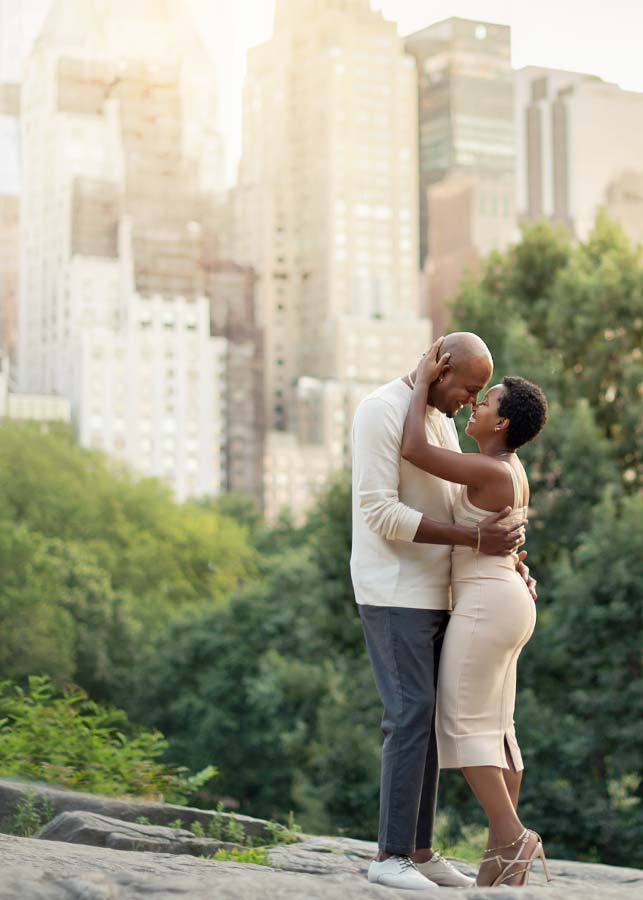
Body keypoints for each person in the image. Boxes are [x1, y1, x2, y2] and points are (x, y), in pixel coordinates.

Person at [351, 332, 536, 891]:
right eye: (468, 388)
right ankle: (390, 855)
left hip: (446, 592)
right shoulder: (380, 412)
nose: (471, 401)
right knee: (411, 715)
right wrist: (477, 543)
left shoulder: (437, 418)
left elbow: (472, 501)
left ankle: (420, 849)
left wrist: (502, 558)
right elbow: (381, 512)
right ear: (440, 367)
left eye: (483, 394)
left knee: (431, 719)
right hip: (394, 590)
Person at [400, 339, 550, 888]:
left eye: (485, 402)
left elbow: (415, 449)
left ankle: (513, 836)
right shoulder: (505, 466)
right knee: (499, 729)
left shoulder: (490, 470)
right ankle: (499, 863)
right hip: (504, 598)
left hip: (488, 601)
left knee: (463, 728)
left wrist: (420, 382)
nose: (475, 404)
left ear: (502, 421)